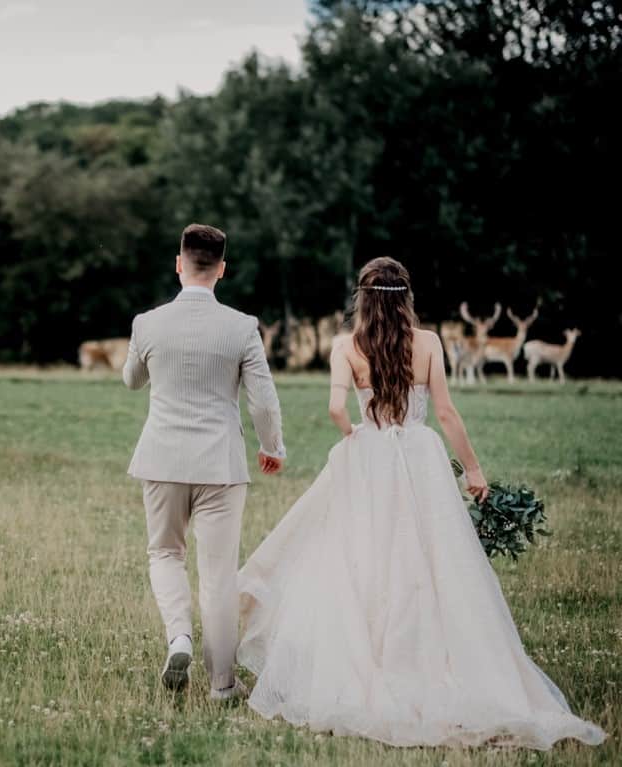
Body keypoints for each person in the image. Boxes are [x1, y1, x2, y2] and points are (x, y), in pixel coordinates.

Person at [234, 256, 606, 749]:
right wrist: (473, 470)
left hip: (370, 457)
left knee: (362, 558)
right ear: (406, 298)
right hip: (420, 456)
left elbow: (334, 408)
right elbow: (447, 414)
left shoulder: (346, 345)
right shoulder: (428, 342)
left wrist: (356, 438)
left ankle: (372, 662)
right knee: (434, 561)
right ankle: (437, 660)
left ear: (361, 299)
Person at [123, 223, 286, 701]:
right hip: (220, 463)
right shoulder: (241, 327)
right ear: (222, 269)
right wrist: (271, 447)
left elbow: (132, 380)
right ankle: (222, 684)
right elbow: (263, 401)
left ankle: (179, 638)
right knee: (218, 574)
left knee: (165, 553)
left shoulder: (146, 323)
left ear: (179, 264)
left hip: (161, 459)